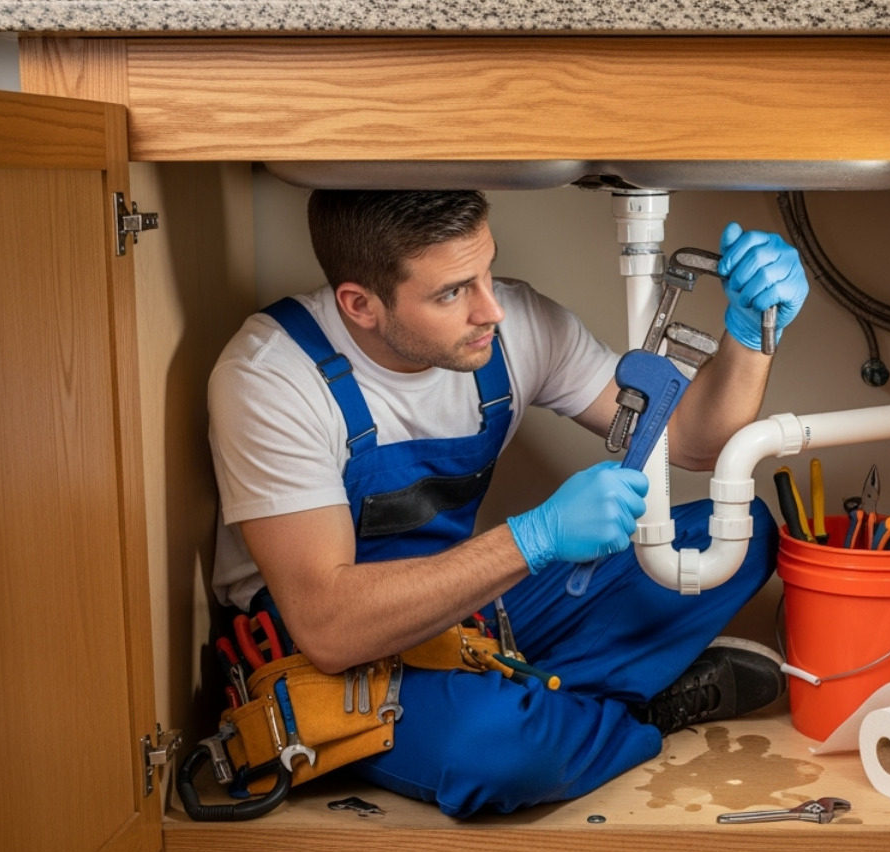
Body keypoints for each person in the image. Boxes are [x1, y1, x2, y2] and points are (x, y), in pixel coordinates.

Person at [208, 189, 810, 818]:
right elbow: (327, 626)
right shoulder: (271, 377)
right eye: (452, 293)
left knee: (735, 537)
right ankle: (635, 707)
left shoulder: (513, 326)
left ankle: (537, 701)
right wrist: (535, 537)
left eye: (487, 271)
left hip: (469, 611)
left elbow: (687, 440)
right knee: (500, 751)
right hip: (335, 664)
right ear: (361, 305)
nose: (491, 309)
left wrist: (748, 335)